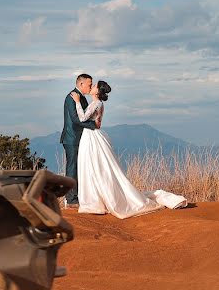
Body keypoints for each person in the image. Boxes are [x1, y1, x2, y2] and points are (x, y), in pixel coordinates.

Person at [73, 80, 187, 218]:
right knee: (98, 168)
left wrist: (77, 102)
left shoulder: (96, 103)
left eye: (94, 86)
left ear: (98, 91)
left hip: (92, 137)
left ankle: (96, 201)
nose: (92, 87)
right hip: (94, 135)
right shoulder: (98, 103)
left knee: (95, 167)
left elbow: (82, 117)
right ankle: (98, 199)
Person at [60, 74, 95, 206]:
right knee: (72, 168)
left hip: (79, 138)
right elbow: (76, 119)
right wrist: (93, 126)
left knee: (79, 167)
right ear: (81, 84)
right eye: (89, 84)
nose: (90, 87)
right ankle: (70, 199)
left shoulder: (81, 98)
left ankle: (77, 196)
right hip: (71, 138)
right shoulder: (72, 97)